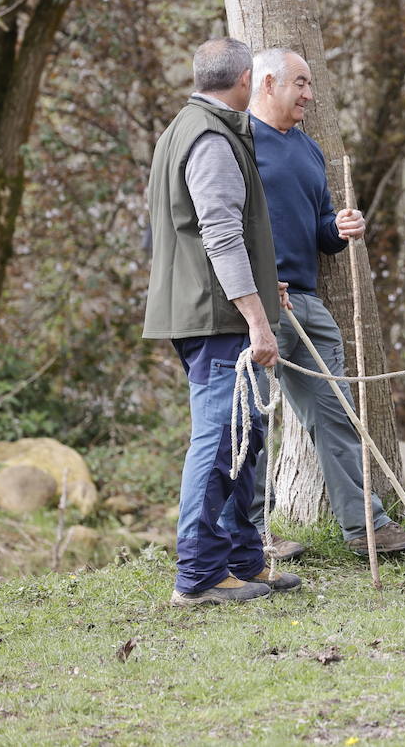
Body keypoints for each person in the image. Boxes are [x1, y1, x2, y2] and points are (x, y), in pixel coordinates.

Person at [243, 47, 405, 558]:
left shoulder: (308, 149)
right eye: (301, 83)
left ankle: (367, 526)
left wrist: (342, 229)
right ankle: (251, 535)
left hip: (305, 302)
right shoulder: (237, 143)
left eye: (310, 85)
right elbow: (221, 225)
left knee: (336, 414)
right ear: (269, 82)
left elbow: (322, 232)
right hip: (255, 306)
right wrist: (257, 288)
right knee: (250, 420)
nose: (309, 94)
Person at [143, 37, 302, 606]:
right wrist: (257, 319)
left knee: (245, 437)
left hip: (216, 308)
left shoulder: (186, 129)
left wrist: (262, 282)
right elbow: (219, 235)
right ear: (241, 82)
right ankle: (199, 577)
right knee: (217, 443)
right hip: (217, 321)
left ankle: (243, 562)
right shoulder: (211, 138)